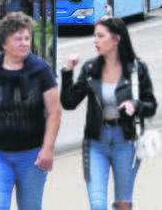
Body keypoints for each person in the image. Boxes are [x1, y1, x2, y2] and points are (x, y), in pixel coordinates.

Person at [0, 12, 61, 210]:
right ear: (4, 43)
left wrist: (48, 148)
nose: (24, 43)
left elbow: (54, 112)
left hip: (32, 156)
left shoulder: (41, 71)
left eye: (27, 38)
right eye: (18, 39)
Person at [61, 16, 157, 210]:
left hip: (126, 142)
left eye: (100, 36)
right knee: (97, 205)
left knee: (123, 204)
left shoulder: (137, 69)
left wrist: (135, 105)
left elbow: (151, 105)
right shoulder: (90, 68)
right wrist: (67, 72)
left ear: (116, 39)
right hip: (95, 142)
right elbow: (69, 102)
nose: (95, 41)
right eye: (94, 36)